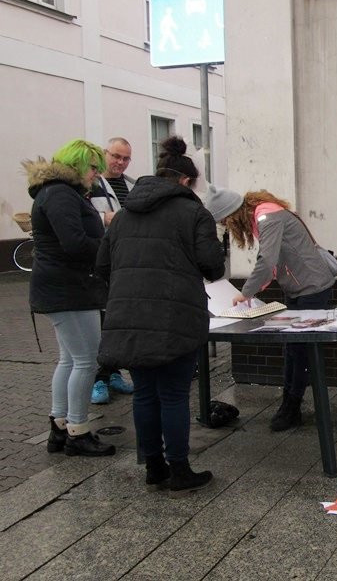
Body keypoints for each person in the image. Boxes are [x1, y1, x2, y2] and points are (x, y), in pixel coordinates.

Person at [96, 136, 225, 495]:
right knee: (172, 395)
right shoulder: (194, 213)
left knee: (144, 394)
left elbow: (102, 265)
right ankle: (180, 470)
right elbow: (213, 268)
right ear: (185, 182)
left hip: (129, 318)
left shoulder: (122, 216)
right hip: (175, 319)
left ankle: (154, 468)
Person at [206, 185, 336, 432]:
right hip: (301, 287)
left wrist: (247, 291)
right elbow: (273, 261)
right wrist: (257, 288)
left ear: (233, 215)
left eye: (225, 222)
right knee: (292, 348)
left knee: (299, 350)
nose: (228, 228)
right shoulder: (263, 215)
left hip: (312, 289)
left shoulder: (267, 216)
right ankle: (290, 403)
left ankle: (291, 406)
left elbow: (267, 259)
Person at [23, 139, 116, 457]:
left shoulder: (55, 191)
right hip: (70, 288)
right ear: (77, 164)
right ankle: (78, 431)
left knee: (69, 359)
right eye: (93, 167)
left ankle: (60, 427)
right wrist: (109, 249)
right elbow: (74, 243)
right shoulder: (61, 193)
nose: (96, 174)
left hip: (64, 286)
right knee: (86, 361)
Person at [88, 137, 136, 404]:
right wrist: (102, 218)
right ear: (104, 154)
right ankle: (99, 379)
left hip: (121, 262)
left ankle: (113, 373)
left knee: (115, 324)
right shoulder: (92, 184)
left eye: (125, 158)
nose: (120, 162)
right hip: (100, 263)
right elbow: (84, 216)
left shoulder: (129, 184)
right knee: (102, 325)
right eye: (116, 156)